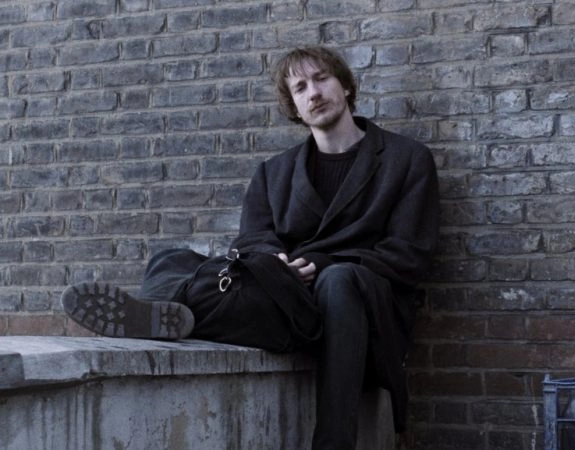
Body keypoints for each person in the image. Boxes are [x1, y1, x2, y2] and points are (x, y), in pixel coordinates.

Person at [61, 46, 440, 450]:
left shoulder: (406, 159)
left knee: (338, 280)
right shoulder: (273, 172)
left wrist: (321, 262)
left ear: (345, 86)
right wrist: (275, 264)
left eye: (322, 79)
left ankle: (332, 442)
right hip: (286, 298)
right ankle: (162, 311)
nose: (313, 93)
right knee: (173, 259)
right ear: (294, 107)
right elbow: (252, 238)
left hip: (361, 306)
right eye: (300, 87)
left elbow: (409, 253)